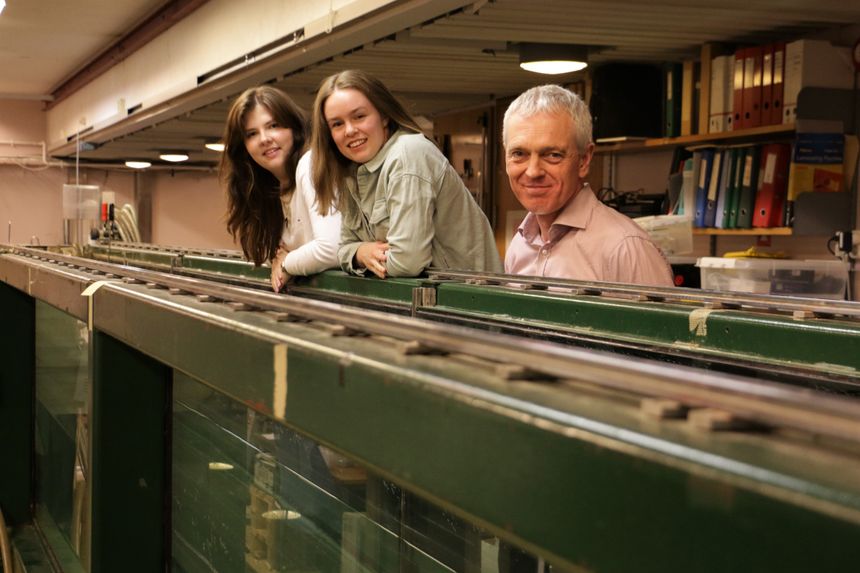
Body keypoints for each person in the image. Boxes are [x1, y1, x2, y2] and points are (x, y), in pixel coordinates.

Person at [309, 69, 502, 278]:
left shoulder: (408, 154)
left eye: (359, 116)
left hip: (467, 303)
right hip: (421, 304)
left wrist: (361, 256)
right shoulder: (351, 169)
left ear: (384, 116)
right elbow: (344, 248)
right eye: (337, 124)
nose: (349, 130)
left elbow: (407, 263)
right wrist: (360, 252)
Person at [503, 84, 674, 287]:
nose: (533, 171)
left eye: (552, 155)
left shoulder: (625, 248)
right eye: (518, 154)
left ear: (584, 160)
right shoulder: (519, 247)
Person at [221, 86, 341, 292]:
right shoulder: (270, 190)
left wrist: (288, 262)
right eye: (251, 134)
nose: (264, 138)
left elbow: (332, 249)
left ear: (294, 127)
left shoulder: (310, 165)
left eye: (273, 125)